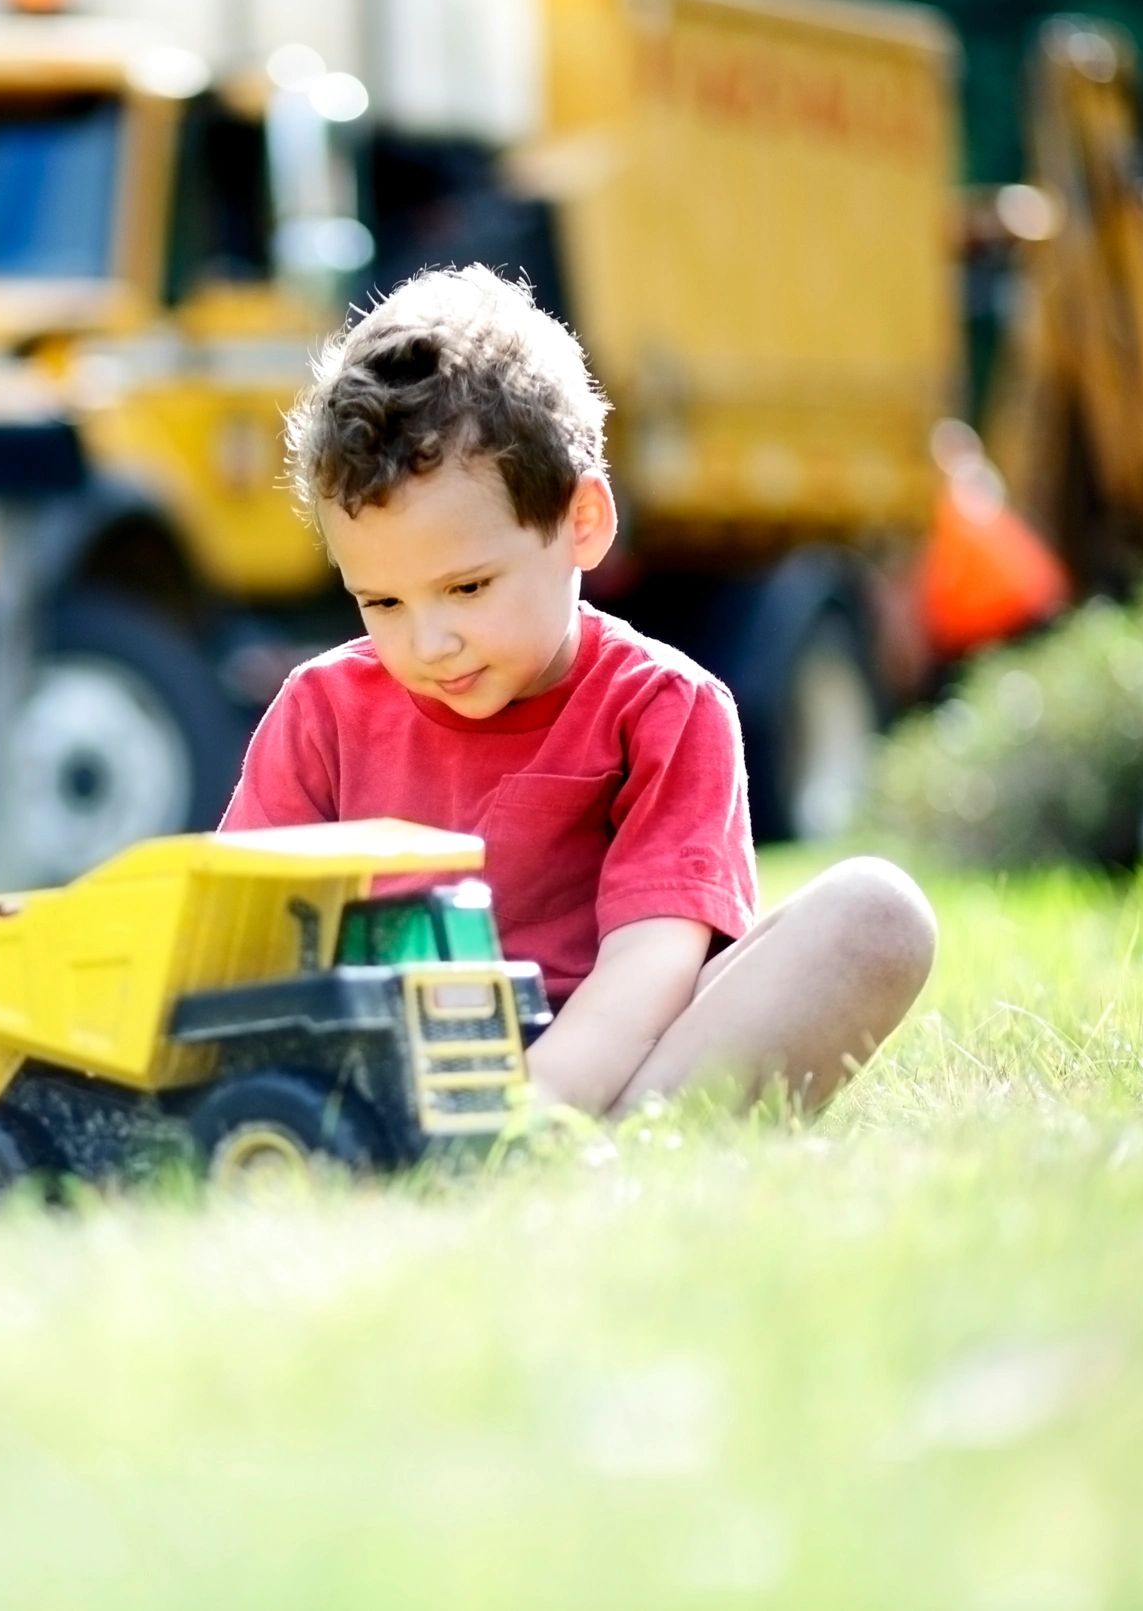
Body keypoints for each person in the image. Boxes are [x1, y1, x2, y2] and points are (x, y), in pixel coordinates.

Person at [221, 265, 937, 1118]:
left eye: (467, 587)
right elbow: (241, 951)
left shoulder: (663, 706)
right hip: (386, 1081)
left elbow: (652, 961)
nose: (429, 641)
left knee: (878, 913)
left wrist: (535, 1109)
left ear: (582, 523)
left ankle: (591, 1155)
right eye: (382, 602)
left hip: (621, 1074)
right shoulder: (321, 711)